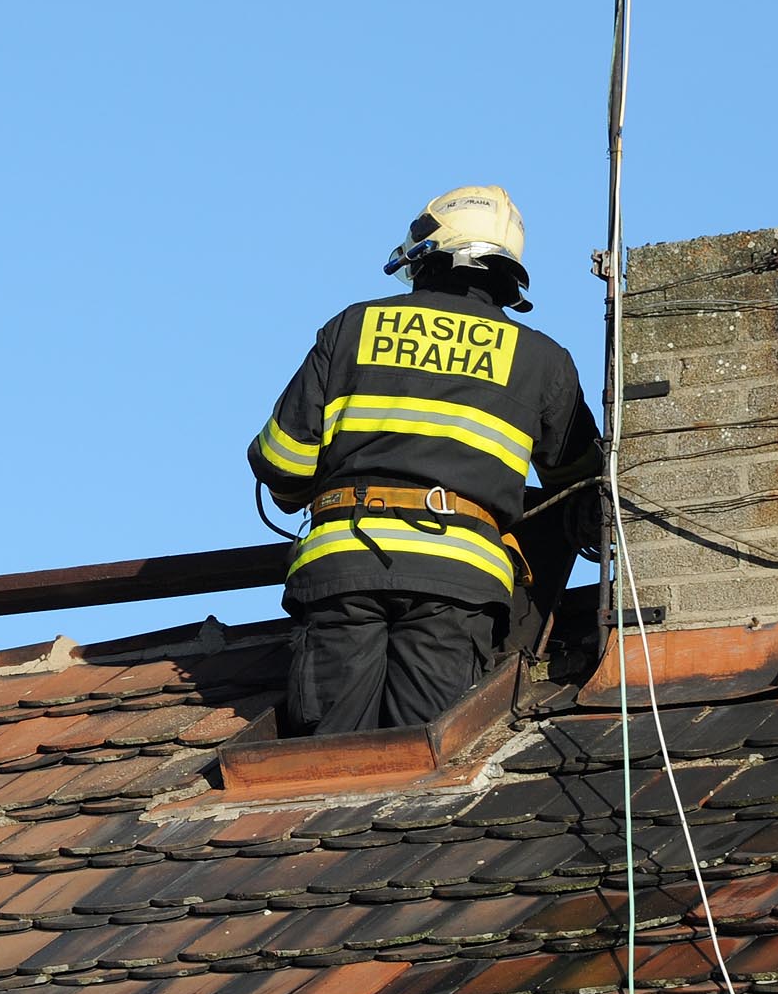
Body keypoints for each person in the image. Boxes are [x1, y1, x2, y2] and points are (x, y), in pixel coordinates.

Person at [247, 185, 600, 735]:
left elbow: (283, 461)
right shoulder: (542, 360)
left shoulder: (351, 327)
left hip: (346, 564)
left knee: (329, 753)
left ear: (425, 254)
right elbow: (577, 486)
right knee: (423, 756)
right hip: (458, 581)